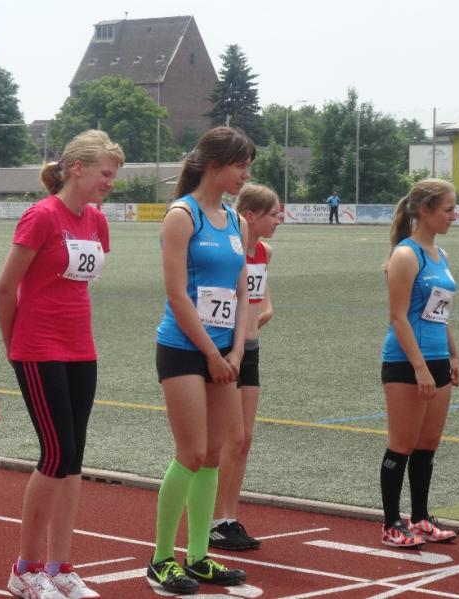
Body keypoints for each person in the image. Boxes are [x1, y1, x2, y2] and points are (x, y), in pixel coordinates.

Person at [0, 130, 124, 599]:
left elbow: (77, 286)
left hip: (80, 349)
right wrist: (16, 347)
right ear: (77, 168)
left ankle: (60, 566)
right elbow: (5, 288)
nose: (110, 183)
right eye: (105, 173)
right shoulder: (42, 216)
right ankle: (25, 569)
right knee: (55, 453)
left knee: (73, 459)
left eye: (113, 176)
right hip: (38, 348)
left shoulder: (96, 221)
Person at [148, 127, 251, 595]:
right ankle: (160, 560)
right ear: (214, 166)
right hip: (184, 349)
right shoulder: (181, 216)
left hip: (224, 354)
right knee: (190, 453)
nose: (245, 175)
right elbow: (176, 294)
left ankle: (198, 557)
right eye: (240, 166)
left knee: (213, 454)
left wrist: (236, 350)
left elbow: (242, 291)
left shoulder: (236, 222)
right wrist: (211, 352)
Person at [379, 178, 459, 549]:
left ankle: (421, 517)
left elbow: (438, 314)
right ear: (425, 210)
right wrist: (420, 367)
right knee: (402, 444)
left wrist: (453, 355)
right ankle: (391, 523)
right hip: (406, 362)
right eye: (448, 209)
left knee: (428, 444)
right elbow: (398, 318)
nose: (453, 216)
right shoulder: (406, 255)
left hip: (437, 359)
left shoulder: (440, 255)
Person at [209, 184, 280, 551]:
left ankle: (229, 517)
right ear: (250, 215)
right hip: (228, 349)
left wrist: (261, 315)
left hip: (251, 348)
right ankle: (213, 520)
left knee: (245, 439)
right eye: (273, 214)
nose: (278, 220)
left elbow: (262, 300)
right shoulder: (231, 251)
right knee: (230, 437)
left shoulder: (264, 252)